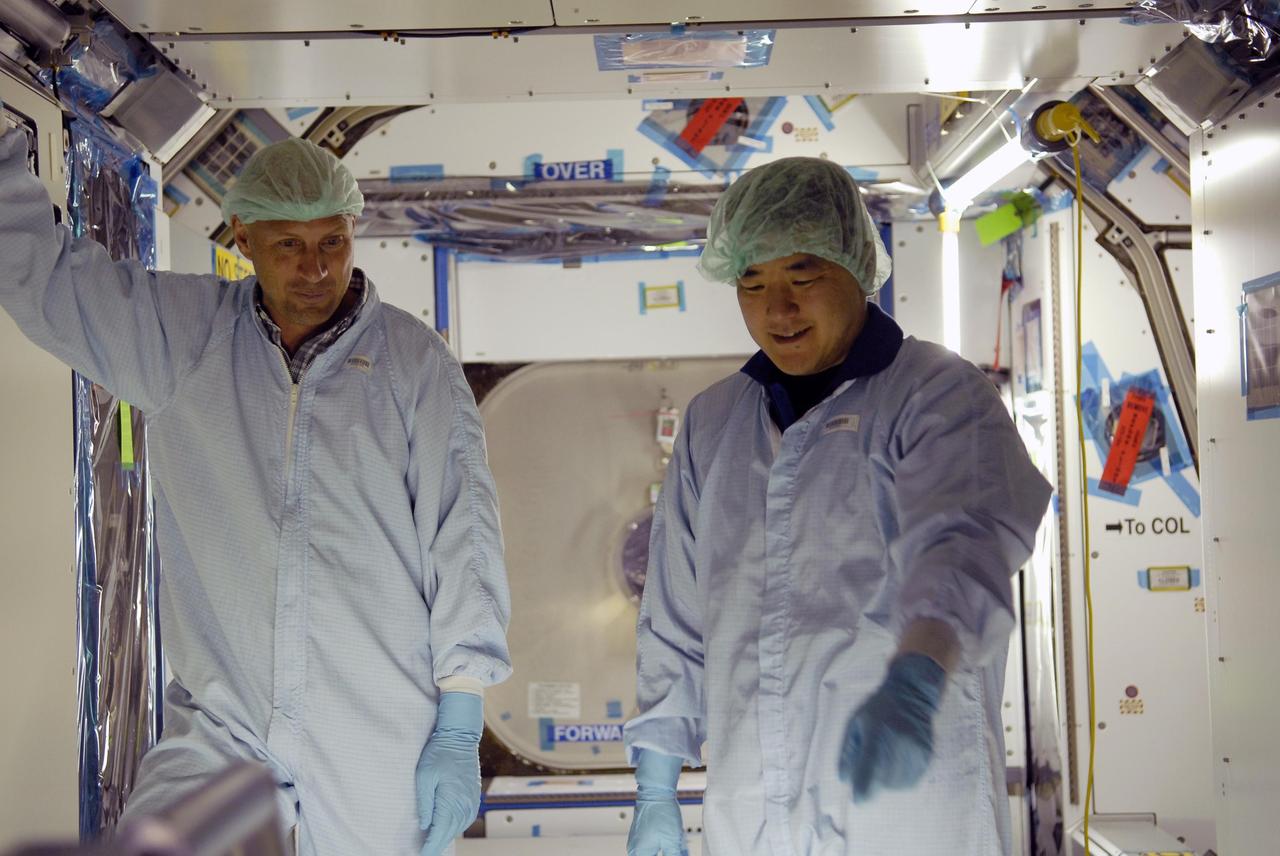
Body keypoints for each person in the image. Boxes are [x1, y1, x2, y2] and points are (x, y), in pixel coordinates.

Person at [0, 125, 511, 856]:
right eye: (288, 246)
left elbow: (463, 536)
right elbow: (50, 286)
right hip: (226, 719)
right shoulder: (186, 338)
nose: (315, 268)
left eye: (332, 242)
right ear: (242, 236)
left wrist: (461, 717)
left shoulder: (412, 364)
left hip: (376, 722)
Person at [623, 156, 1052, 856]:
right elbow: (673, 619)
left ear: (857, 266)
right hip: (755, 814)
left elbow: (963, 545)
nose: (777, 308)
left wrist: (918, 674)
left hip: (908, 808)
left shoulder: (938, 394)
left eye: (804, 275)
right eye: (752, 282)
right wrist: (656, 787)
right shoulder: (713, 423)